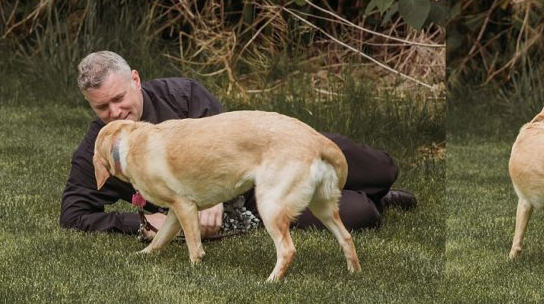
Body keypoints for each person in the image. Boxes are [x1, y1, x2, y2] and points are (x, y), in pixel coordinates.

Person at [60, 51, 417, 239]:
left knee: (383, 169)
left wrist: (215, 198)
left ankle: (375, 185)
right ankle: (376, 198)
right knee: (362, 213)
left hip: (274, 149)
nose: (115, 111)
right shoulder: (99, 149)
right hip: (256, 197)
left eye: (119, 98)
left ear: (135, 80)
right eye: (101, 106)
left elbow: (233, 140)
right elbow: (73, 215)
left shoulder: (182, 95)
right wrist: (141, 220)